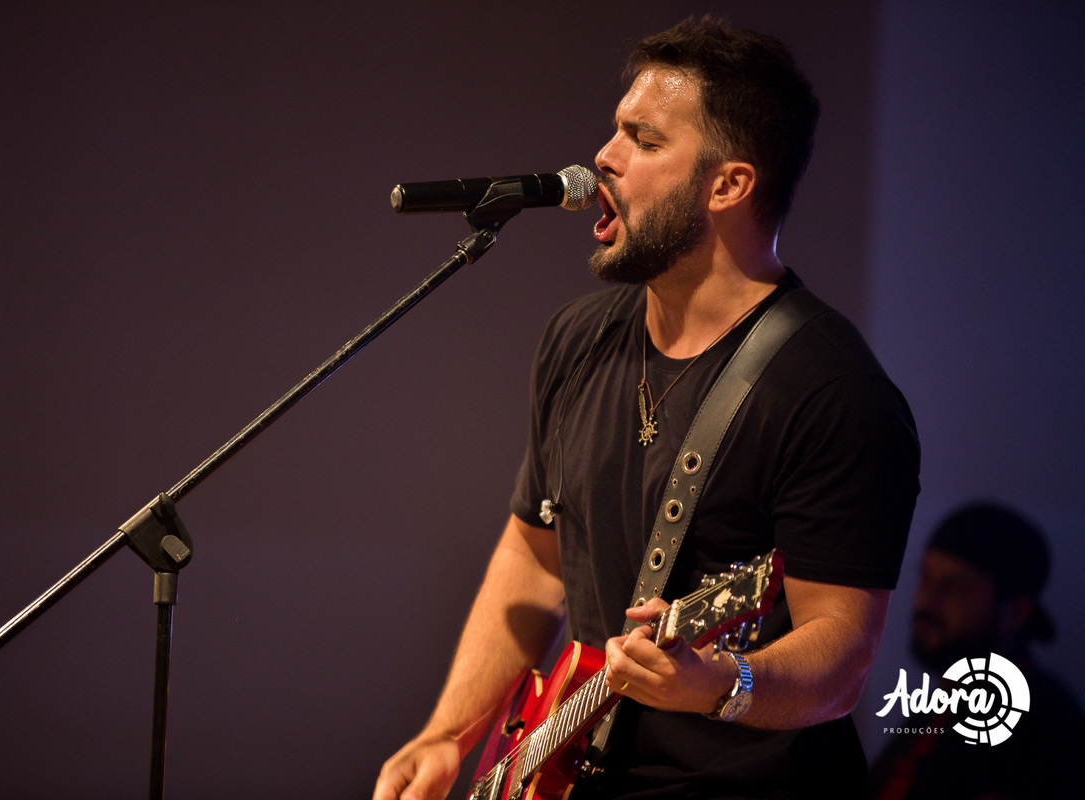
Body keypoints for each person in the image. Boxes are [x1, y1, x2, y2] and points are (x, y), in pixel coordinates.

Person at [374, 16, 920, 800]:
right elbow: (534, 557)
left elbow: (841, 655)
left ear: (728, 185)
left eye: (645, 138)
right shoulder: (579, 339)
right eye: (616, 129)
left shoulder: (833, 392)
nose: (604, 155)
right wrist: (448, 735)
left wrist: (722, 682)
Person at [869, 502, 1085, 799]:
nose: (927, 601)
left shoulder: (1041, 716)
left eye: (955, 587)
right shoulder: (944, 703)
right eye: (926, 578)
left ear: (1017, 612)